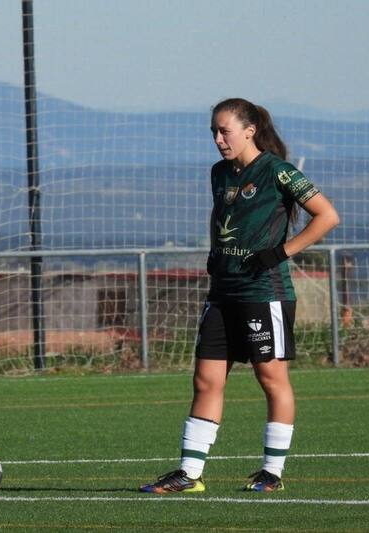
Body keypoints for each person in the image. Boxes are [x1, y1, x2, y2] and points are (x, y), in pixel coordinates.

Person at [140, 98, 340, 493]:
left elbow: (327, 216)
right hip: (223, 291)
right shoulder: (219, 173)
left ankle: (272, 472)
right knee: (205, 380)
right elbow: (222, 217)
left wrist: (280, 253)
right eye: (213, 131)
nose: (217, 139)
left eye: (224, 130)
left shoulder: (279, 172)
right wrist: (215, 253)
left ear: (249, 130)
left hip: (264, 291)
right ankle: (189, 474)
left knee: (271, 377)